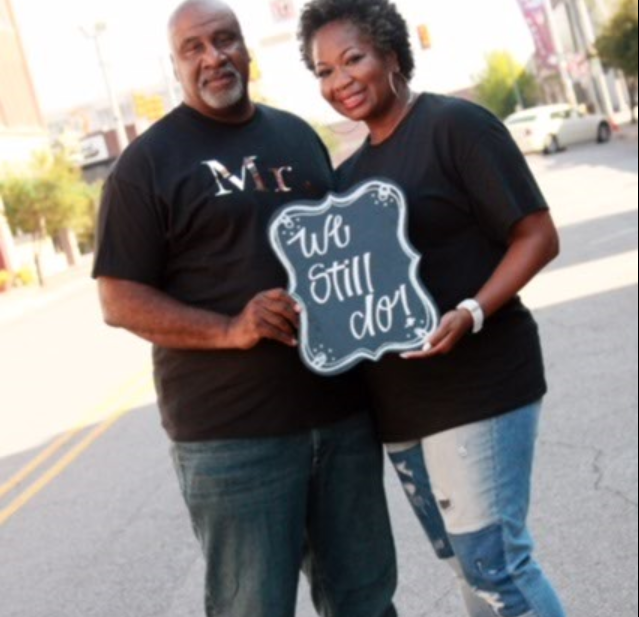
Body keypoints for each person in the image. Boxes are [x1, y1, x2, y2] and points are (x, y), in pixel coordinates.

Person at [92, 1, 399, 616]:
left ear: (246, 49)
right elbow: (118, 299)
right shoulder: (145, 165)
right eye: (194, 48)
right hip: (234, 438)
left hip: (341, 418)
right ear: (175, 66)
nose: (214, 57)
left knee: (366, 602)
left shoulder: (297, 136)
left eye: (225, 39)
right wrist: (230, 329)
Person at [298, 1, 567, 616]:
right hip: (401, 407)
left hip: (479, 384)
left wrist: (472, 310)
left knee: (495, 564)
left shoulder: (456, 126)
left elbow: (538, 236)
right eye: (324, 71)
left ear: (392, 53)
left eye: (353, 59)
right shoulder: (350, 179)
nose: (340, 80)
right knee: (466, 568)